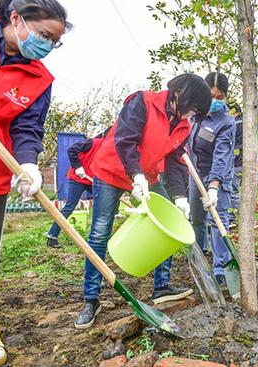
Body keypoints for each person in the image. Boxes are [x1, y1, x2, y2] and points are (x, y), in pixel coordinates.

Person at [74, 74, 211, 329]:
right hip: (111, 171)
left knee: (169, 222)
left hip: (148, 175)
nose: (191, 115)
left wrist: (180, 196)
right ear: (180, 94)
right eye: (192, 108)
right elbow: (126, 141)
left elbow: (174, 160)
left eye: (196, 113)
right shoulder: (142, 102)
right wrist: (135, 175)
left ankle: (162, 287)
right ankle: (91, 299)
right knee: (100, 232)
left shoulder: (183, 125)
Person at [0, 0, 70, 365]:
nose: (47, 46)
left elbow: (28, 129)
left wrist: (29, 165)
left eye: (54, 42)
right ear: (16, 19)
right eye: (45, 36)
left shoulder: (39, 79)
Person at [188, 72, 236, 285]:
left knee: (218, 220)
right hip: (195, 172)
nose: (215, 101)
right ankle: (199, 256)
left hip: (219, 175)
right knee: (197, 218)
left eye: (220, 97)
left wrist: (214, 185)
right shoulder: (194, 114)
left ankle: (221, 267)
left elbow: (222, 154)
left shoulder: (226, 122)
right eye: (211, 96)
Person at [46, 128, 110, 248]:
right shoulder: (92, 142)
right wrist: (78, 167)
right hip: (78, 178)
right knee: (69, 207)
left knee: (102, 204)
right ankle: (52, 236)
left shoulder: (110, 148)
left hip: (91, 180)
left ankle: (99, 238)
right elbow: (71, 149)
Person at [229, 105, 242, 227]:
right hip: (242, 162)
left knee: (232, 190)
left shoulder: (236, 124)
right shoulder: (245, 123)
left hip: (236, 162)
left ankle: (233, 219)